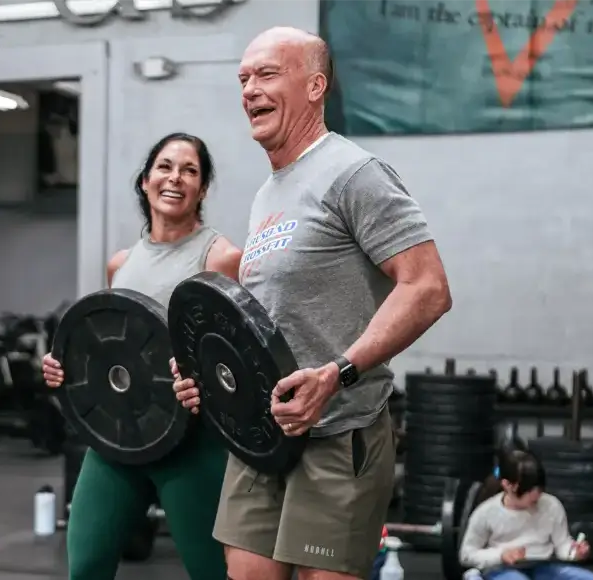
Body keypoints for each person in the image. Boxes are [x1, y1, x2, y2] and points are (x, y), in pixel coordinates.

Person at [173, 27, 452, 580]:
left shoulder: (355, 173)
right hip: (259, 433)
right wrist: (206, 374)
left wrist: (337, 373)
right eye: (244, 78)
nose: (249, 89)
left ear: (316, 85)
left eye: (267, 74)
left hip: (338, 431)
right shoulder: (267, 194)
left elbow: (427, 288)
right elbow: (264, 321)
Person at [41, 132, 242, 580]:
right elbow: (115, 351)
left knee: (210, 572)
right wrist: (66, 366)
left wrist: (206, 384)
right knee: (87, 564)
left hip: (191, 443)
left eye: (190, 170)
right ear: (146, 180)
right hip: (120, 438)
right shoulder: (121, 263)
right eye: (165, 167)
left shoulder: (222, 258)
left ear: (203, 188)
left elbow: (237, 361)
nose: (176, 178)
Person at [459, 449, 593, 580]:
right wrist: (501, 555)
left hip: (543, 566)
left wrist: (574, 552)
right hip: (502, 569)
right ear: (508, 485)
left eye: (539, 492)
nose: (537, 498)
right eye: (529, 494)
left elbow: (562, 544)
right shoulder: (486, 512)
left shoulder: (551, 505)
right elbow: (466, 555)